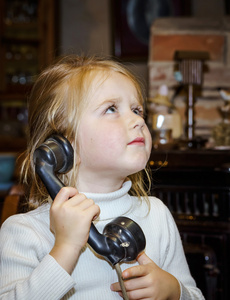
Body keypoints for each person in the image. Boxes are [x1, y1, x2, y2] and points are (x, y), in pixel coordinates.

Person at [0, 55, 204, 299]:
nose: (138, 120)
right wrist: (65, 249)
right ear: (63, 145)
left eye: (137, 109)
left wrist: (174, 290)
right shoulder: (25, 232)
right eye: (111, 109)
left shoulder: (157, 215)